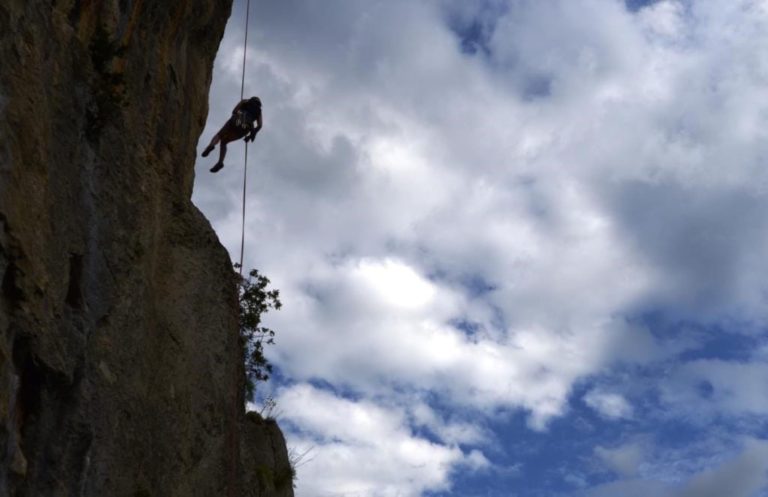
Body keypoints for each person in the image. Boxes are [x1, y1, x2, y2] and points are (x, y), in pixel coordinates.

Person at [201, 96, 262, 173]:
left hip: (236, 120)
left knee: (219, 135)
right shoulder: (259, 111)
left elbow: (234, 111)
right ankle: (220, 162)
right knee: (224, 142)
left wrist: (240, 114)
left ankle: (211, 145)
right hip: (245, 128)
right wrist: (250, 136)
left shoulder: (245, 101)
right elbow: (260, 125)